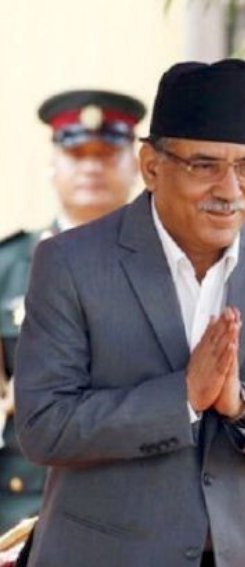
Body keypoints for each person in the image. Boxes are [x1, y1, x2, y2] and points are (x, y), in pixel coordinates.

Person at [14, 59, 245, 567]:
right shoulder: (70, 262)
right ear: (151, 167)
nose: (230, 189)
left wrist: (243, 407)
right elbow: (44, 426)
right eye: (205, 166)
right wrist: (182, 398)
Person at [0, 89, 145, 536]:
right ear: (53, 164)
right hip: (25, 510)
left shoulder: (173, 266)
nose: (91, 167)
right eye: (77, 154)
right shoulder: (8, 267)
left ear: (137, 165)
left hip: (139, 507)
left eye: (107, 154)